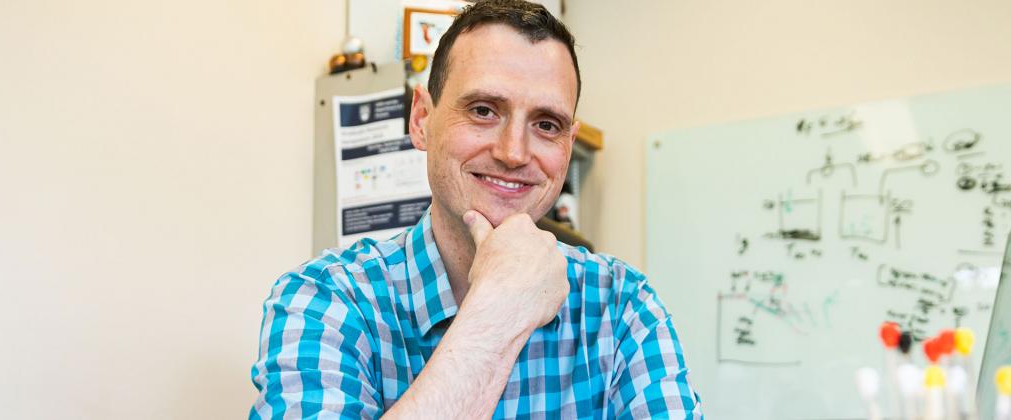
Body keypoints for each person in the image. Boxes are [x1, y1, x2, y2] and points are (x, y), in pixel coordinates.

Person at [248, 1, 702, 418]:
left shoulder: (622, 306)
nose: (513, 152)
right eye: (484, 110)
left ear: (568, 142)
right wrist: (498, 313)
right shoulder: (323, 301)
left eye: (547, 124)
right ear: (422, 120)